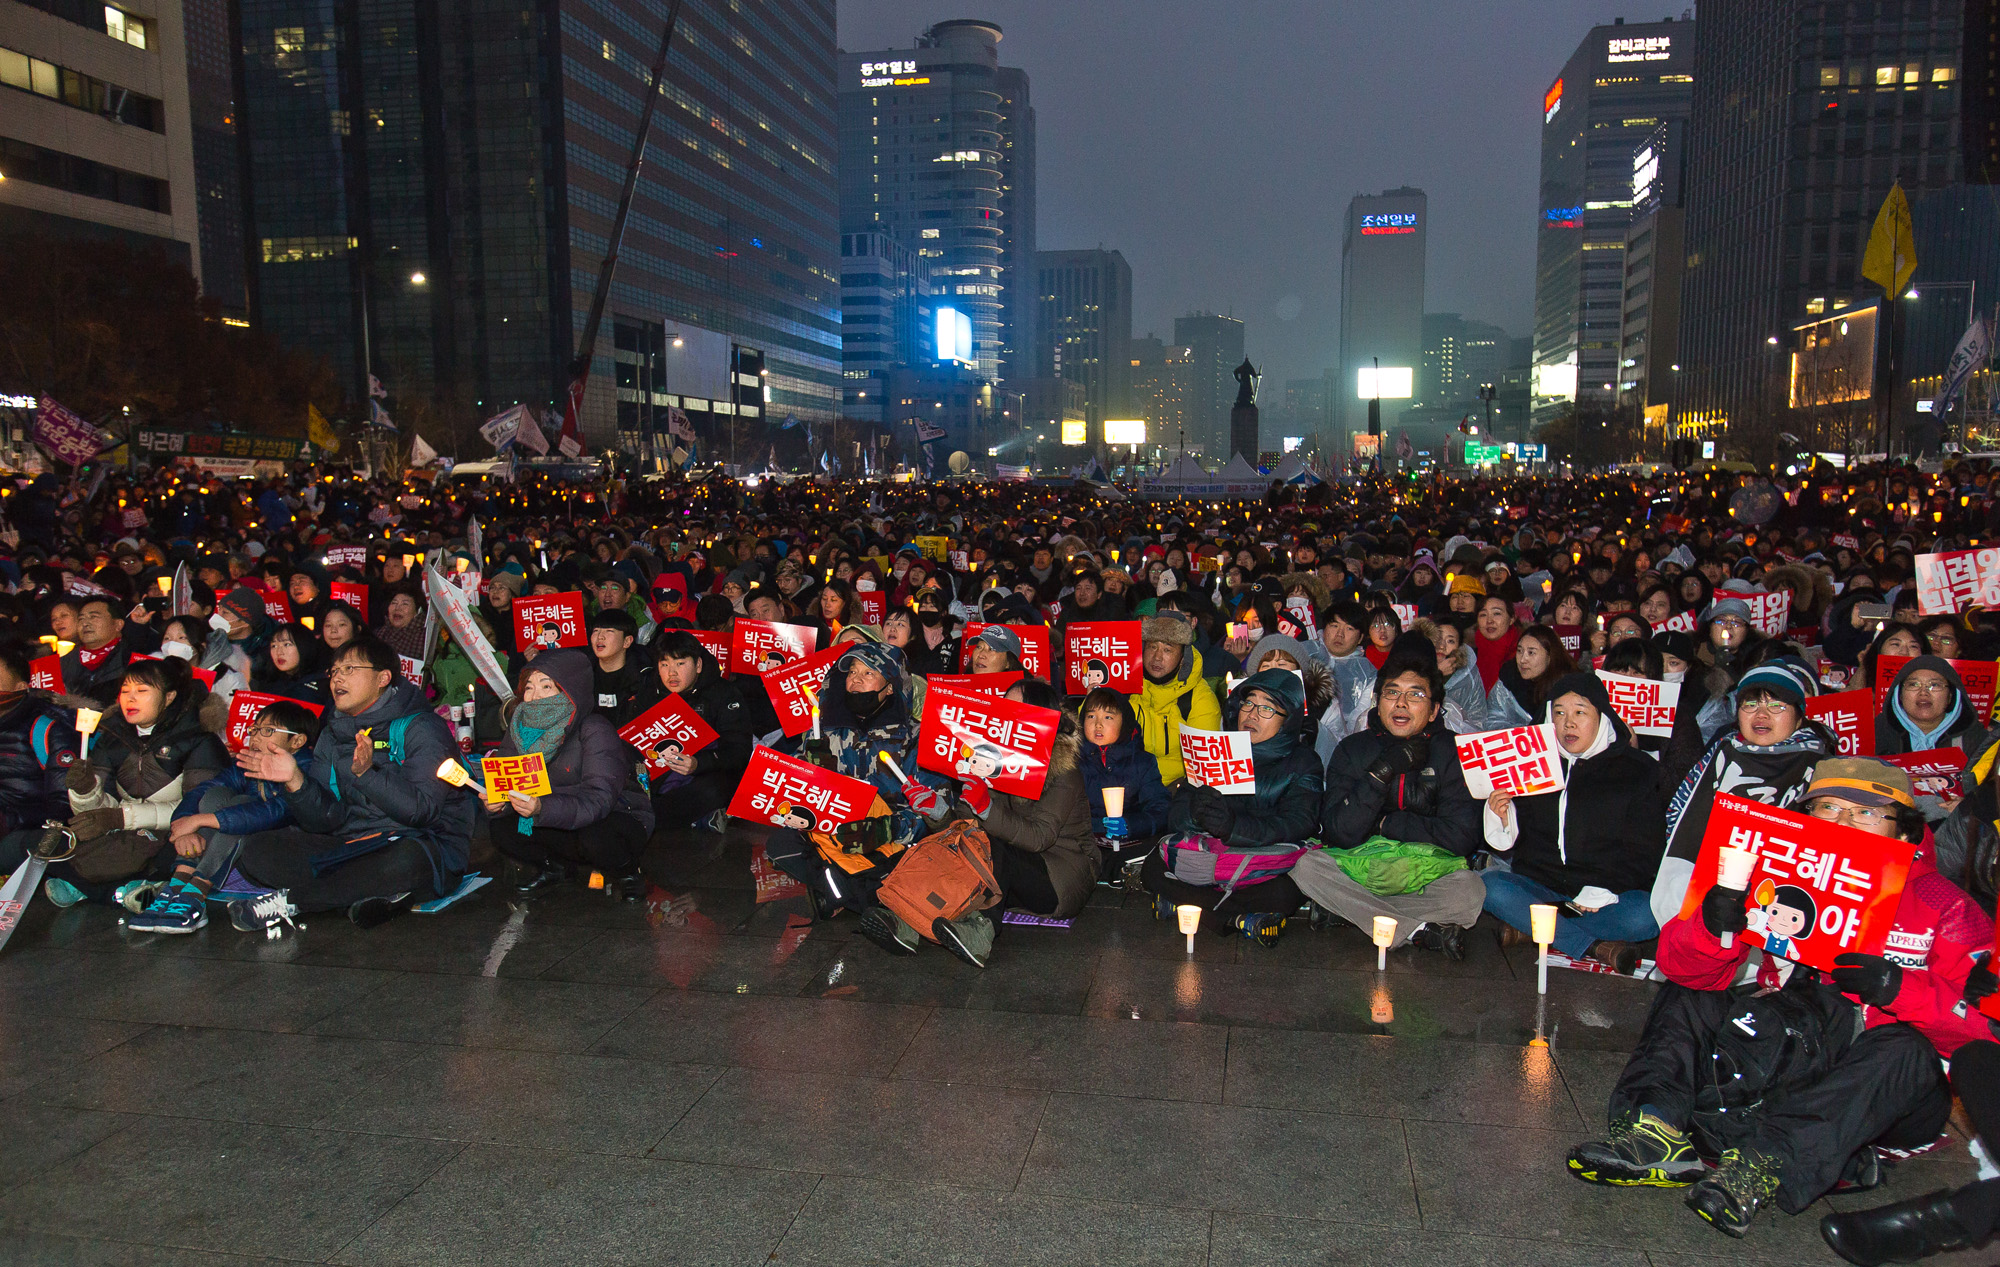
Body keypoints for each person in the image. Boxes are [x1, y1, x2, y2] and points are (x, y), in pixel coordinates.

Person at [1568, 759, 1986, 1240]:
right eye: (1829, 808)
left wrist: (1900, 989)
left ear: (1905, 829)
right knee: (1693, 987)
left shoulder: (1947, 905)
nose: (1845, 823)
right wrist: (1712, 926)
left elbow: (1983, 1033)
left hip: (1891, 1084)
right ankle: (1654, 1131)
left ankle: (1760, 1168)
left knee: (1903, 1048)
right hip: (1792, 1049)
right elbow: (1679, 967)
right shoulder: (1776, 877)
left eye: (1866, 813)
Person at [230, 635, 477, 929]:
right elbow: (325, 820)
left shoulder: (421, 727)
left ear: (383, 678)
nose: (337, 678)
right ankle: (367, 894)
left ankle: (293, 902)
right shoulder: (332, 734)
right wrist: (295, 781)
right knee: (256, 850)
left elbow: (421, 811)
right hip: (351, 845)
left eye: (349, 669)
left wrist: (367, 774)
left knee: (407, 860)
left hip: (414, 841)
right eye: (334, 670)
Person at [867, 678, 1094, 967]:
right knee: (949, 845)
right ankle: (906, 918)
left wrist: (987, 808)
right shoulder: (990, 758)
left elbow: (1039, 838)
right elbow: (963, 830)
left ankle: (982, 931)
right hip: (1003, 870)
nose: (1005, 716)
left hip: (1059, 875)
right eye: (1003, 707)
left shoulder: (1063, 771)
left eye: (1015, 710)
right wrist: (938, 812)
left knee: (992, 845)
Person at [1297, 639, 1485, 958]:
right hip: (1362, 868)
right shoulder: (1353, 749)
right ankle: (1417, 930)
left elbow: (1461, 836)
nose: (1401, 703)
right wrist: (1380, 772)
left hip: (1426, 873)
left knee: (1471, 891)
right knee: (1307, 867)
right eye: (1392, 692)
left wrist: (1389, 824)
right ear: (1376, 700)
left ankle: (1355, 912)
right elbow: (1339, 832)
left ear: (1434, 710)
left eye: (1415, 695)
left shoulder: (1453, 752)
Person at [1481, 672, 1667, 973]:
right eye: (1559, 713)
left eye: (1580, 712)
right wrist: (1503, 817)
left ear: (1601, 716)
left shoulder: (1638, 771)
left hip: (1606, 896)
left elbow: (1647, 851)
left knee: (1646, 915)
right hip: (1544, 888)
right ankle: (1593, 946)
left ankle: (1536, 929)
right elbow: (1515, 846)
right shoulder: (1532, 766)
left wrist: (1606, 888)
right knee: (1490, 886)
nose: (1568, 723)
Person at [1139, 668, 1324, 946]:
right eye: (1248, 703)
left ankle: (1187, 906)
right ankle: (1238, 919)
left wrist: (1234, 827)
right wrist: (1195, 813)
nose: (1252, 714)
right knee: (1153, 865)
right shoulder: (1214, 749)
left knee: (1290, 888)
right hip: (1211, 858)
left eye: (1267, 708)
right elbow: (1176, 816)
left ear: (1287, 720)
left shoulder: (1303, 762)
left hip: (1260, 862)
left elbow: (1299, 822)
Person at [1654, 658, 1835, 928]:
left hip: (1784, 902)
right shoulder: (1722, 753)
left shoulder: (1820, 767)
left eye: (1776, 706)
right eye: (1750, 704)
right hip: (1710, 887)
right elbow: (1682, 820)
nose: (1761, 715)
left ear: (1799, 717)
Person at [125, 698, 321, 933]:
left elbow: (275, 812)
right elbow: (203, 791)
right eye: (254, 729)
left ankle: (197, 892)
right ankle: (176, 888)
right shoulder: (249, 763)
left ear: (297, 741)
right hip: (234, 843)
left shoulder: (306, 768)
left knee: (242, 805)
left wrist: (199, 821)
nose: (256, 737)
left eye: (268, 731)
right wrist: (184, 828)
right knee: (215, 796)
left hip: (281, 850)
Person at [50, 657, 228, 904]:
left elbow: (200, 807)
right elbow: (99, 813)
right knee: (56, 841)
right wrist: (85, 791)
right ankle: (127, 890)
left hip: (175, 832)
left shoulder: (199, 738)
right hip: (127, 833)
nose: (130, 699)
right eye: (125, 691)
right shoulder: (112, 737)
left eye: (142, 691)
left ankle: (109, 889)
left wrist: (121, 818)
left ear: (169, 697)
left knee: (184, 848)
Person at [489, 648, 655, 898]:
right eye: (529, 687)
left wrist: (542, 807)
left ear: (569, 690)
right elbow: (508, 780)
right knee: (502, 827)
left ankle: (628, 871)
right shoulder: (520, 726)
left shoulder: (594, 728)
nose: (534, 696)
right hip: (553, 813)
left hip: (616, 814)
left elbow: (599, 799)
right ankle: (555, 867)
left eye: (546, 686)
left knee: (595, 836)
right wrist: (497, 802)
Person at [630, 630, 758, 832]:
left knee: (714, 790)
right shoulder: (650, 691)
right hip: (655, 778)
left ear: (698, 665)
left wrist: (699, 763)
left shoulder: (723, 693)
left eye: (680, 664)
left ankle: (648, 817)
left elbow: (738, 750)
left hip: (704, 775)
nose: (671, 673)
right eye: (664, 665)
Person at [0, 642, 82, 877]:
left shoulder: (46, 729)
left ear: (20, 687)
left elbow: (64, 804)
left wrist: (9, 820)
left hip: (23, 834)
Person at [1075, 686, 1171, 877]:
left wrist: (1130, 825)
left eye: (1108, 717)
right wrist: (1098, 826)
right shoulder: (1073, 761)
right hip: (1084, 840)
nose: (1098, 724)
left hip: (1131, 841)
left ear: (1124, 723)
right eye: (1091, 716)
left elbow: (1161, 809)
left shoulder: (1142, 762)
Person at [1132, 611, 1221, 787]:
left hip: (1177, 789)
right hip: (1128, 786)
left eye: (1167, 649)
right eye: (1152, 647)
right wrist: (1094, 697)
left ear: (1183, 658)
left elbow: (1205, 768)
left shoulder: (1199, 699)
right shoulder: (1127, 688)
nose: (1157, 657)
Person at [59, 596, 160, 705]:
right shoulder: (62, 664)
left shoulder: (132, 660)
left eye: (93, 617)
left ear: (118, 625)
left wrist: (137, 626)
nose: (85, 623)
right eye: (81, 619)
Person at [586, 609, 649, 727]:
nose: (600, 637)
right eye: (596, 631)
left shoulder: (645, 678)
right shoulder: (579, 674)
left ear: (627, 641)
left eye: (609, 631)